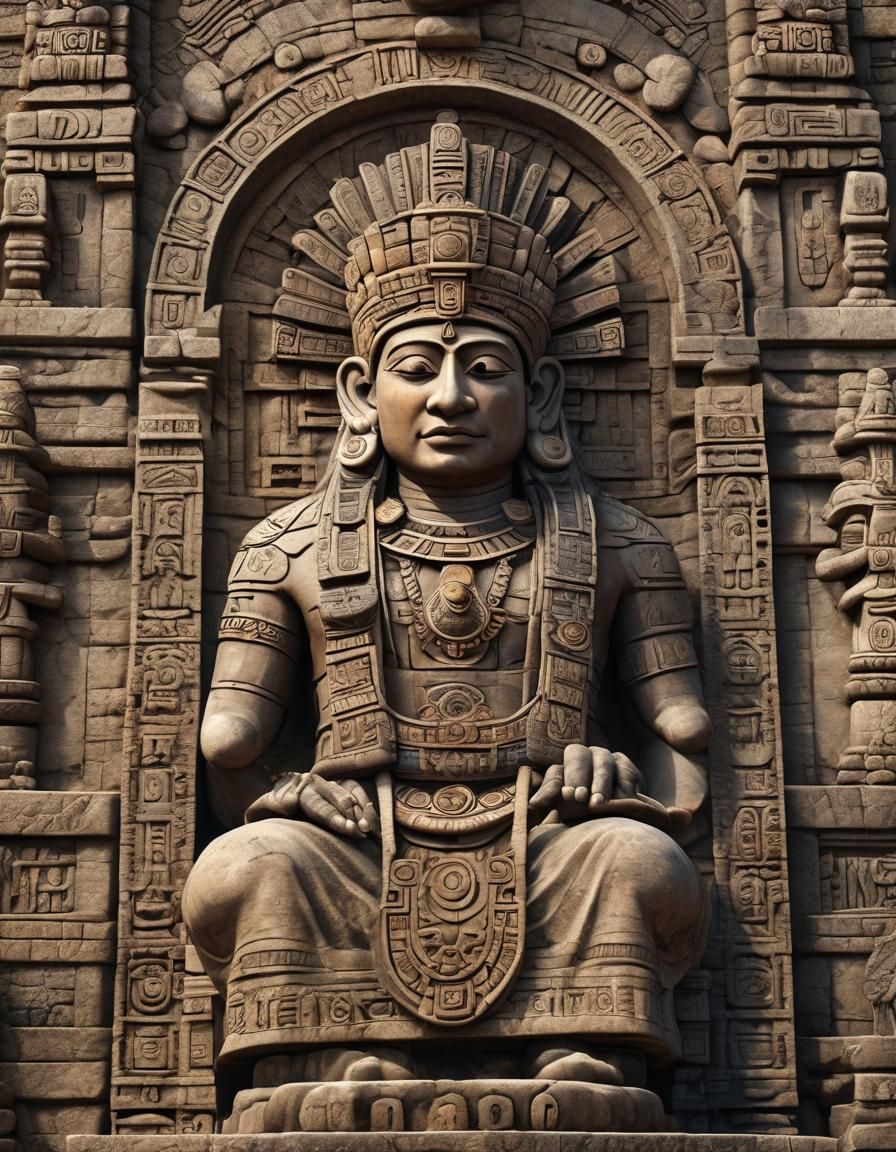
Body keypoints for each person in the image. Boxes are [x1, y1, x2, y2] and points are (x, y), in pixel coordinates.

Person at [183, 112, 712, 1098]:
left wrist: (623, 776)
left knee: (636, 860)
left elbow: (683, 746)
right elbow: (228, 747)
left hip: (550, 835)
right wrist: (286, 791)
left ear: (540, 393)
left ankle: (580, 1051)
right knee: (253, 863)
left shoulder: (622, 545)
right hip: (353, 841)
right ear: (358, 392)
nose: (452, 397)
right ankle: (333, 1053)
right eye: (417, 368)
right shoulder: (286, 546)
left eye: (486, 369)